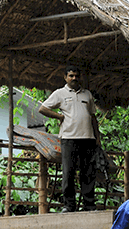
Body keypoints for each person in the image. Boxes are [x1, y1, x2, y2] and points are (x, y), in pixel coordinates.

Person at [39, 65, 100, 212]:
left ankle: (89, 205)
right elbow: (43, 108)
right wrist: (59, 116)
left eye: (76, 75)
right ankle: (69, 205)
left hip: (88, 138)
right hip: (69, 138)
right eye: (71, 75)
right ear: (65, 77)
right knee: (69, 172)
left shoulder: (87, 94)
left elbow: (93, 117)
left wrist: (97, 138)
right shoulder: (60, 93)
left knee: (88, 172)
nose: (74, 78)